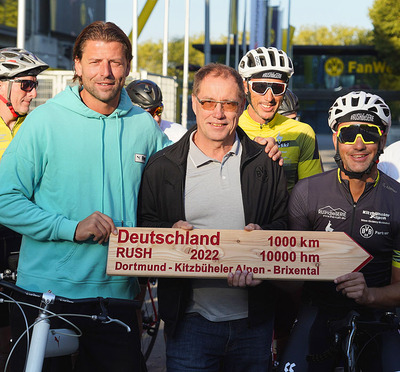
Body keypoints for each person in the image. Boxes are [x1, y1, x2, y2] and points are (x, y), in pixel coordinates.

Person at [0, 21, 170, 372]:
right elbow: (4, 198)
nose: (105, 73)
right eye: (95, 62)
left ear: (128, 65)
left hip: (117, 297)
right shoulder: (44, 122)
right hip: (46, 297)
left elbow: (180, 181)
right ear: (77, 65)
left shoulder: (143, 126)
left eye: (115, 62)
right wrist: (70, 228)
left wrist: (254, 150)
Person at [137, 63, 289, 372]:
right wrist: (168, 235)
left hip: (253, 325)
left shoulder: (267, 165)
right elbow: (145, 230)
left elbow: (284, 226)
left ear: (241, 107)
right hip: (190, 325)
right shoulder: (162, 167)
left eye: (228, 104)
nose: (217, 113)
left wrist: (262, 242)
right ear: (193, 103)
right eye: (208, 102)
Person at [278, 91, 400, 372]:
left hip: (377, 315)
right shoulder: (307, 192)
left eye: (369, 133)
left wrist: (369, 295)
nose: (358, 144)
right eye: (348, 134)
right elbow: (291, 275)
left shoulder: (396, 201)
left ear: (382, 141)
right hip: (317, 309)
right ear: (335, 140)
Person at [0, 47, 48, 370]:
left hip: (21, 234)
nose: (32, 93)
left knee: (18, 321)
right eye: (26, 85)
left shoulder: (33, 126)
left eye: (35, 86)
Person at [238, 46, 322, 193]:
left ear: (286, 88)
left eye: (277, 88)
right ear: (245, 86)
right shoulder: (230, 128)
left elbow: (312, 195)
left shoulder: (303, 132)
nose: (269, 98)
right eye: (260, 87)